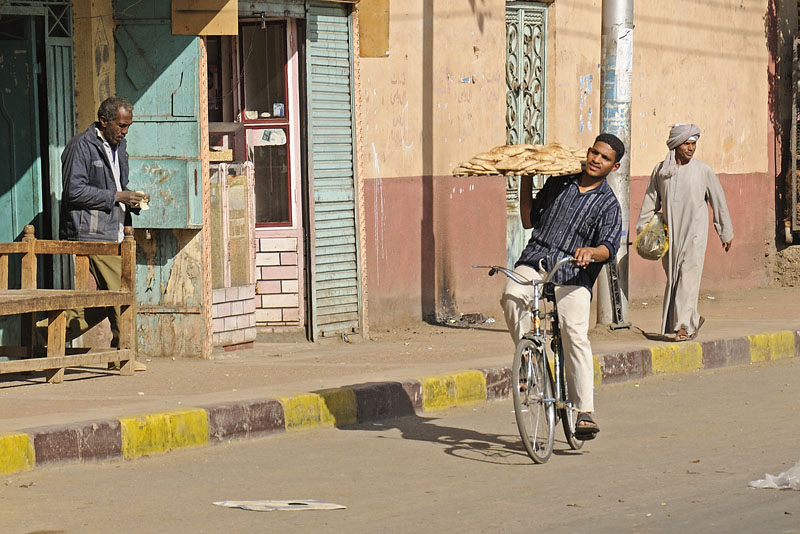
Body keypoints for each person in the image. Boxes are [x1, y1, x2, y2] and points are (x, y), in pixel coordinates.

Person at [501, 133, 624, 440]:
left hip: (574, 273)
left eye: (605, 158)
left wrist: (590, 252)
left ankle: (584, 411)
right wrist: (526, 178)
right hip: (537, 259)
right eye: (594, 153)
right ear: (587, 152)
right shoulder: (561, 182)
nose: (596, 160)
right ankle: (531, 362)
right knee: (511, 295)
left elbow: (609, 246)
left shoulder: (608, 204)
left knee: (574, 332)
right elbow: (529, 221)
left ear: (615, 166)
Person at [60, 96, 150, 370]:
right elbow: (73, 191)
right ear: (104, 121)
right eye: (121, 126)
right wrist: (117, 195)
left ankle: (47, 334)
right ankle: (124, 356)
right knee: (122, 296)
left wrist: (130, 201)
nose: (124, 132)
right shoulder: (82, 146)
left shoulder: (118, 148)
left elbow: (118, 186)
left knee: (102, 301)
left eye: (128, 127)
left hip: (116, 232)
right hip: (91, 233)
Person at [635, 124, 733, 342]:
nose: (691, 148)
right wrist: (642, 230)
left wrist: (725, 232)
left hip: (695, 233)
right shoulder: (661, 170)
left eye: (693, 143)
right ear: (676, 146)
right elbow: (651, 200)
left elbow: (718, 201)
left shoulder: (703, 170)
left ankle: (682, 327)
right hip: (670, 235)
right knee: (676, 278)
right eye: (687, 144)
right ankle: (693, 319)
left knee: (689, 276)